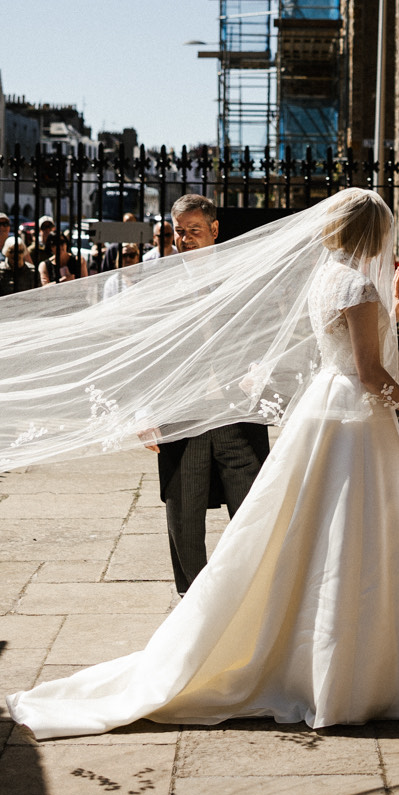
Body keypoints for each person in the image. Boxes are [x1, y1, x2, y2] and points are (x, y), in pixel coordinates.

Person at [6, 189, 399, 737]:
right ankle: (354, 664)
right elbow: (370, 373)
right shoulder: (358, 284)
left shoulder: (326, 277)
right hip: (352, 414)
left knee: (314, 532)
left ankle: (315, 652)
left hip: (327, 404)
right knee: (354, 533)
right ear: (374, 233)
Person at [148, 195, 272, 594]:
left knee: (252, 509)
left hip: (237, 414)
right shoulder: (160, 282)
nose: (184, 240)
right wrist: (144, 410)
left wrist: (261, 369)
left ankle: (251, 594)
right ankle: (191, 598)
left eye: (193, 231)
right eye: (179, 232)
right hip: (184, 414)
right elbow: (146, 350)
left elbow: (266, 330)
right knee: (183, 513)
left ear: (215, 230)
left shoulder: (243, 275)